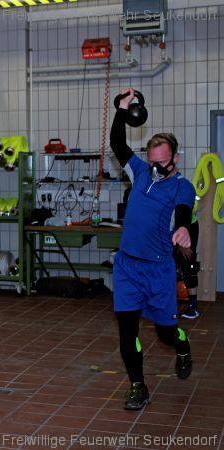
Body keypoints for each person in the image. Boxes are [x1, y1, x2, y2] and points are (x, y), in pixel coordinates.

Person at [109, 88, 195, 411]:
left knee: (165, 334)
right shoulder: (141, 172)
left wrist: (183, 228)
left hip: (158, 270)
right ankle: (138, 386)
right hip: (128, 267)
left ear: (175, 159)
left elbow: (184, 209)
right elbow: (118, 145)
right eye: (152, 162)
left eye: (162, 162)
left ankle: (182, 345)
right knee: (127, 329)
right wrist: (121, 110)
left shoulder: (182, 186)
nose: (156, 168)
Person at [174, 217, 200, 319]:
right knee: (172, 265)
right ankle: (171, 307)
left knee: (189, 265)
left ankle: (193, 308)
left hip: (188, 226)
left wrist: (182, 242)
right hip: (171, 228)